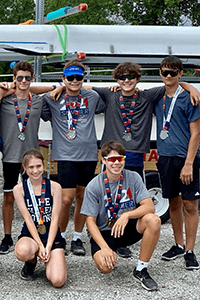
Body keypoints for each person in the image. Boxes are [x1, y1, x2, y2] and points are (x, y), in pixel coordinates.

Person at [52, 61, 200, 258]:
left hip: (135, 158)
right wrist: (62, 85)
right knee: (109, 200)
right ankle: (105, 235)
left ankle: (123, 240)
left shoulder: (147, 95)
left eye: (131, 77)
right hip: (112, 158)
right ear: (116, 79)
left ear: (138, 79)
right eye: (122, 77)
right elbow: (79, 86)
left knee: (129, 201)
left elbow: (171, 83)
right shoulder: (109, 94)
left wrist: (190, 86)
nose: (126, 80)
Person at [42, 60, 105, 256]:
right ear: (63, 78)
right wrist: (57, 88)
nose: (75, 81)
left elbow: (108, 97)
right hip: (66, 155)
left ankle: (77, 238)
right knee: (66, 199)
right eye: (70, 78)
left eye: (79, 77)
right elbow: (32, 91)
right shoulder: (51, 97)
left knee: (83, 198)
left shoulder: (92, 96)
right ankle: (59, 236)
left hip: (88, 154)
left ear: (83, 79)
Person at [80, 141, 161, 291]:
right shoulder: (94, 185)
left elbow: (150, 206)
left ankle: (141, 269)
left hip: (124, 227)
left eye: (120, 158)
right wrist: (104, 248)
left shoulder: (133, 177)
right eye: (111, 159)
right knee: (106, 267)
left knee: (153, 220)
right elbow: (90, 222)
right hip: (104, 231)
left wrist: (127, 215)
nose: (116, 163)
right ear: (103, 160)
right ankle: (111, 249)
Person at [0, 61, 53, 254]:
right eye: (19, 77)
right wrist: (5, 88)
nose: (23, 81)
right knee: (8, 197)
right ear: (13, 79)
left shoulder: (39, 101)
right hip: (10, 156)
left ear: (32, 79)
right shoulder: (4, 99)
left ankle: (32, 233)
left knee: (35, 198)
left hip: (31, 160)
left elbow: (53, 110)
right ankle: (6, 236)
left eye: (27, 77)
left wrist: (57, 87)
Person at [155, 55, 200, 270]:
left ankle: (190, 251)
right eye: (165, 72)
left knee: (190, 204)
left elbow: (196, 133)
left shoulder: (190, 98)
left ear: (181, 73)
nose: (169, 76)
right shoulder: (157, 95)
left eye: (174, 72)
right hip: (165, 158)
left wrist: (189, 163)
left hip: (187, 158)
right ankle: (178, 244)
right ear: (160, 73)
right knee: (173, 203)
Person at [13, 149, 67, 287]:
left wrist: (48, 246)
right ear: (25, 168)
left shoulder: (55, 187)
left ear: (44, 166)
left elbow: (55, 219)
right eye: (31, 167)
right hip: (31, 234)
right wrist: (40, 245)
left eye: (38, 166)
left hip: (52, 235)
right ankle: (31, 262)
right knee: (22, 251)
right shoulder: (19, 189)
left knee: (58, 281)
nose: (35, 170)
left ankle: (49, 257)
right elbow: (28, 219)